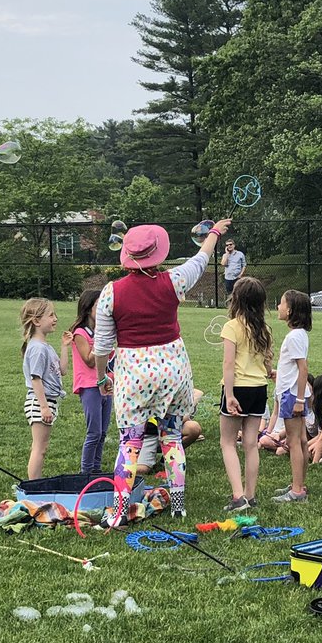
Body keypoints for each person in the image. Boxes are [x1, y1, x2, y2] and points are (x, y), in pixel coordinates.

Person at [93, 218, 233, 518]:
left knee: (130, 441)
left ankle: (118, 511)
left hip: (133, 371)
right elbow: (201, 258)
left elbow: (103, 347)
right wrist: (215, 233)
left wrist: (102, 376)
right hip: (173, 367)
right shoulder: (174, 280)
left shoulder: (111, 292)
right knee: (171, 436)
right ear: (157, 254)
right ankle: (178, 506)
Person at [219, 276, 274, 512]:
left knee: (228, 442)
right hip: (258, 388)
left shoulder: (232, 326)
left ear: (237, 299)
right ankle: (251, 496)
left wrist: (229, 395)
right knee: (251, 444)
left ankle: (238, 496)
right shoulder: (263, 329)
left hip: (238, 387)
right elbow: (267, 359)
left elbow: (229, 364)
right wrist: (270, 372)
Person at [20, 298, 72, 480]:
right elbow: (36, 379)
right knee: (39, 448)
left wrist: (64, 347)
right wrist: (43, 407)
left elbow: (63, 370)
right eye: (50, 315)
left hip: (48, 401)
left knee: (42, 447)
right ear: (36, 321)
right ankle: (34, 486)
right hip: (39, 402)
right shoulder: (37, 349)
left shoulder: (45, 347)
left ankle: (37, 482)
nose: (55, 318)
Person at [270, 290, 312, 503]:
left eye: (281, 303)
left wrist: (298, 400)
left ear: (291, 310)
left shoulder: (294, 336)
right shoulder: (300, 334)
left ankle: (297, 491)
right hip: (294, 392)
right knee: (302, 440)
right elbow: (295, 368)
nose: (278, 307)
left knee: (294, 442)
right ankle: (300, 484)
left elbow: (302, 369)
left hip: (291, 395)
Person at [70, 289, 113, 480]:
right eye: (99, 306)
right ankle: (85, 472)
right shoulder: (80, 333)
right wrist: (101, 342)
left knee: (103, 431)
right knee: (94, 431)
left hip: (106, 384)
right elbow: (89, 360)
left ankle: (96, 468)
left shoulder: (101, 332)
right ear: (88, 309)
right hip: (89, 386)